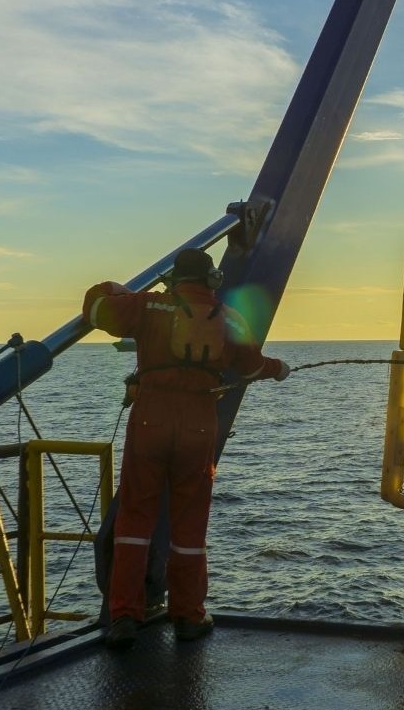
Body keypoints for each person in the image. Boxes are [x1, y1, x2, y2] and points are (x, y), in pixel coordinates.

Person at [82, 247, 289, 649]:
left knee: (134, 521)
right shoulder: (230, 318)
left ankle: (124, 616)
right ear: (213, 280)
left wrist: (113, 287)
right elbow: (250, 367)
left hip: (150, 420)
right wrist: (279, 369)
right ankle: (189, 616)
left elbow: (95, 310)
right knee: (190, 526)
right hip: (199, 424)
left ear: (174, 280)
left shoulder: (148, 306)